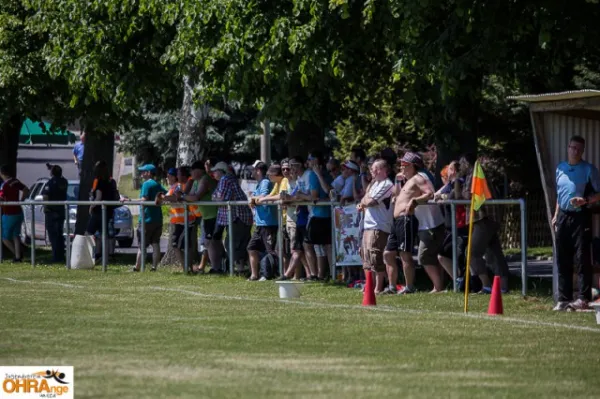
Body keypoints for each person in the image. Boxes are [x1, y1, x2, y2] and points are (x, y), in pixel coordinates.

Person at [553, 136, 600, 311]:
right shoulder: (560, 168)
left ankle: (583, 298)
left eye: (579, 149)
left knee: (582, 258)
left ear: (583, 151)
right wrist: (556, 215)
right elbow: (559, 194)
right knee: (562, 257)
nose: (575, 151)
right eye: (573, 148)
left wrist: (585, 200)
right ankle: (563, 298)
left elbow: (599, 193)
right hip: (563, 216)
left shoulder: (589, 169)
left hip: (581, 217)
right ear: (568, 148)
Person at [459, 153, 510, 294]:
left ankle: (487, 285)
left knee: (472, 253)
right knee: (495, 253)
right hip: (489, 218)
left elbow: (465, 195)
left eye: (460, 165)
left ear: (465, 163)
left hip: (483, 218)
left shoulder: (472, 174)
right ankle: (503, 286)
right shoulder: (479, 172)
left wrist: (456, 181)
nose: (459, 168)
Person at [358, 160, 394, 294]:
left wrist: (365, 201)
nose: (371, 171)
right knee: (366, 257)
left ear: (381, 170)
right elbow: (364, 199)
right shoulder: (374, 184)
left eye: (373, 169)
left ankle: (378, 288)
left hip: (379, 226)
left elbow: (371, 202)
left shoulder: (387, 184)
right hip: (368, 225)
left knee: (376, 257)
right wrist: (365, 201)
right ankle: (369, 286)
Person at [211, 161, 253, 274]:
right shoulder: (226, 179)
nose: (213, 173)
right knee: (238, 243)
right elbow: (215, 196)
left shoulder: (225, 179)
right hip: (238, 217)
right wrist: (215, 197)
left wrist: (215, 198)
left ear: (220, 171)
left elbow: (221, 198)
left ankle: (240, 270)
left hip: (238, 217)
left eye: (215, 171)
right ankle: (243, 269)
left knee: (235, 244)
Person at [180, 161, 218, 273]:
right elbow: (190, 196)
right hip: (206, 216)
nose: (191, 173)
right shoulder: (196, 181)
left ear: (199, 170)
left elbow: (195, 197)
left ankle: (216, 268)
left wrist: (182, 196)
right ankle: (217, 266)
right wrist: (183, 196)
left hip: (213, 215)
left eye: (193, 170)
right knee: (210, 243)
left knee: (211, 243)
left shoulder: (205, 179)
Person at [128, 164, 167, 272]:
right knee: (155, 243)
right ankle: (154, 267)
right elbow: (166, 194)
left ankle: (137, 267)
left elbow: (144, 200)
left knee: (142, 245)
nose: (141, 173)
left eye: (143, 171)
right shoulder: (157, 184)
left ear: (149, 173)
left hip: (146, 219)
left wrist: (130, 201)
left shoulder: (146, 184)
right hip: (158, 219)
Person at [157, 167, 196, 269]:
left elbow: (174, 198)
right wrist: (162, 198)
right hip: (179, 220)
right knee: (181, 245)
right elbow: (167, 199)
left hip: (184, 220)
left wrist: (162, 198)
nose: (167, 178)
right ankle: (187, 268)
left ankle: (186, 268)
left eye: (169, 176)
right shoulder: (174, 187)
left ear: (174, 177)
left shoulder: (178, 186)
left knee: (179, 245)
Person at [86, 161, 115, 261]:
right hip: (108, 211)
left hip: (98, 212)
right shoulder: (110, 181)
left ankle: (89, 256)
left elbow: (98, 197)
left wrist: (91, 206)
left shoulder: (98, 181)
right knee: (104, 235)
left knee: (88, 233)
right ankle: (105, 258)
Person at [0, 164, 29, 262]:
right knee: (16, 235)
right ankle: (17, 256)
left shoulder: (5, 185)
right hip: (18, 212)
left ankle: (17, 254)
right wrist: (21, 200)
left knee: (4, 238)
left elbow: (1, 197)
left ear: (2, 173)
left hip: (9, 213)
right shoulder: (15, 181)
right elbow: (26, 189)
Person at [42, 164, 68, 263]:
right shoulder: (64, 181)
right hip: (61, 211)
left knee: (53, 235)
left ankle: (55, 257)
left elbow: (45, 196)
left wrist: (45, 207)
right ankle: (61, 255)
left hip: (52, 211)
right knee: (59, 235)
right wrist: (53, 169)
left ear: (52, 172)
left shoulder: (50, 183)